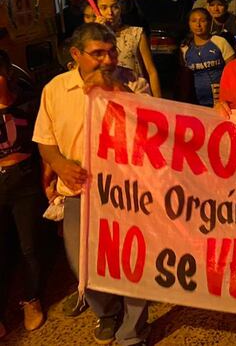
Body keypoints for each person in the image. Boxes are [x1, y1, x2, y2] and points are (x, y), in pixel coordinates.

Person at [33, 24, 151, 345]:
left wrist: (114, 89)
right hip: (79, 192)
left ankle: (133, 330)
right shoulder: (55, 90)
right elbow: (45, 140)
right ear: (76, 55)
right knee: (82, 261)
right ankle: (106, 312)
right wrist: (60, 165)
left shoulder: (132, 82)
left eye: (111, 51)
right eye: (97, 53)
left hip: (128, 192)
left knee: (134, 260)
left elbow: (153, 124)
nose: (107, 59)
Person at [0, 50, 45, 336]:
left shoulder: (28, 101)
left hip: (25, 181)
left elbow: (42, 142)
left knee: (30, 247)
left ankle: (32, 299)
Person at [93, 0, 161, 97]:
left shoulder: (136, 33)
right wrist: (97, 32)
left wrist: (159, 102)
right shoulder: (91, 38)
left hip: (136, 94)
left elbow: (151, 70)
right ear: (95, 10)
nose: (110, 12)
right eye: (104, 8)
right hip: (105, 97)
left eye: (115, 7)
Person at [180, 8, 235, 107]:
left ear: (210, 22)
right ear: (189, 23)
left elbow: (233, 71)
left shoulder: (220, 42)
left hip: (222, 102)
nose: (198, 24)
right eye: (194, 21)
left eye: (202, 20)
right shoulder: (185, 48)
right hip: (197, 104)